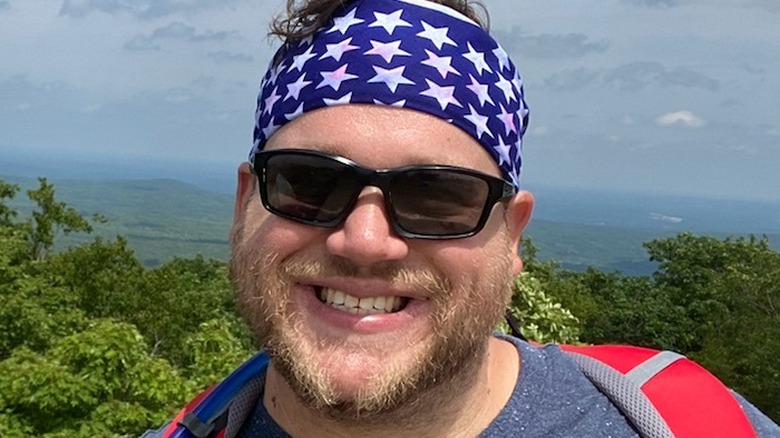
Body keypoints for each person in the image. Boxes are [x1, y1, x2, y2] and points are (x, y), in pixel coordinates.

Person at [143, 0, 780, 436]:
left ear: (511, 234)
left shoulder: (683, 423)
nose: (366, 240)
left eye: (437, 196)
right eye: (310, 182)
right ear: (243, 204)